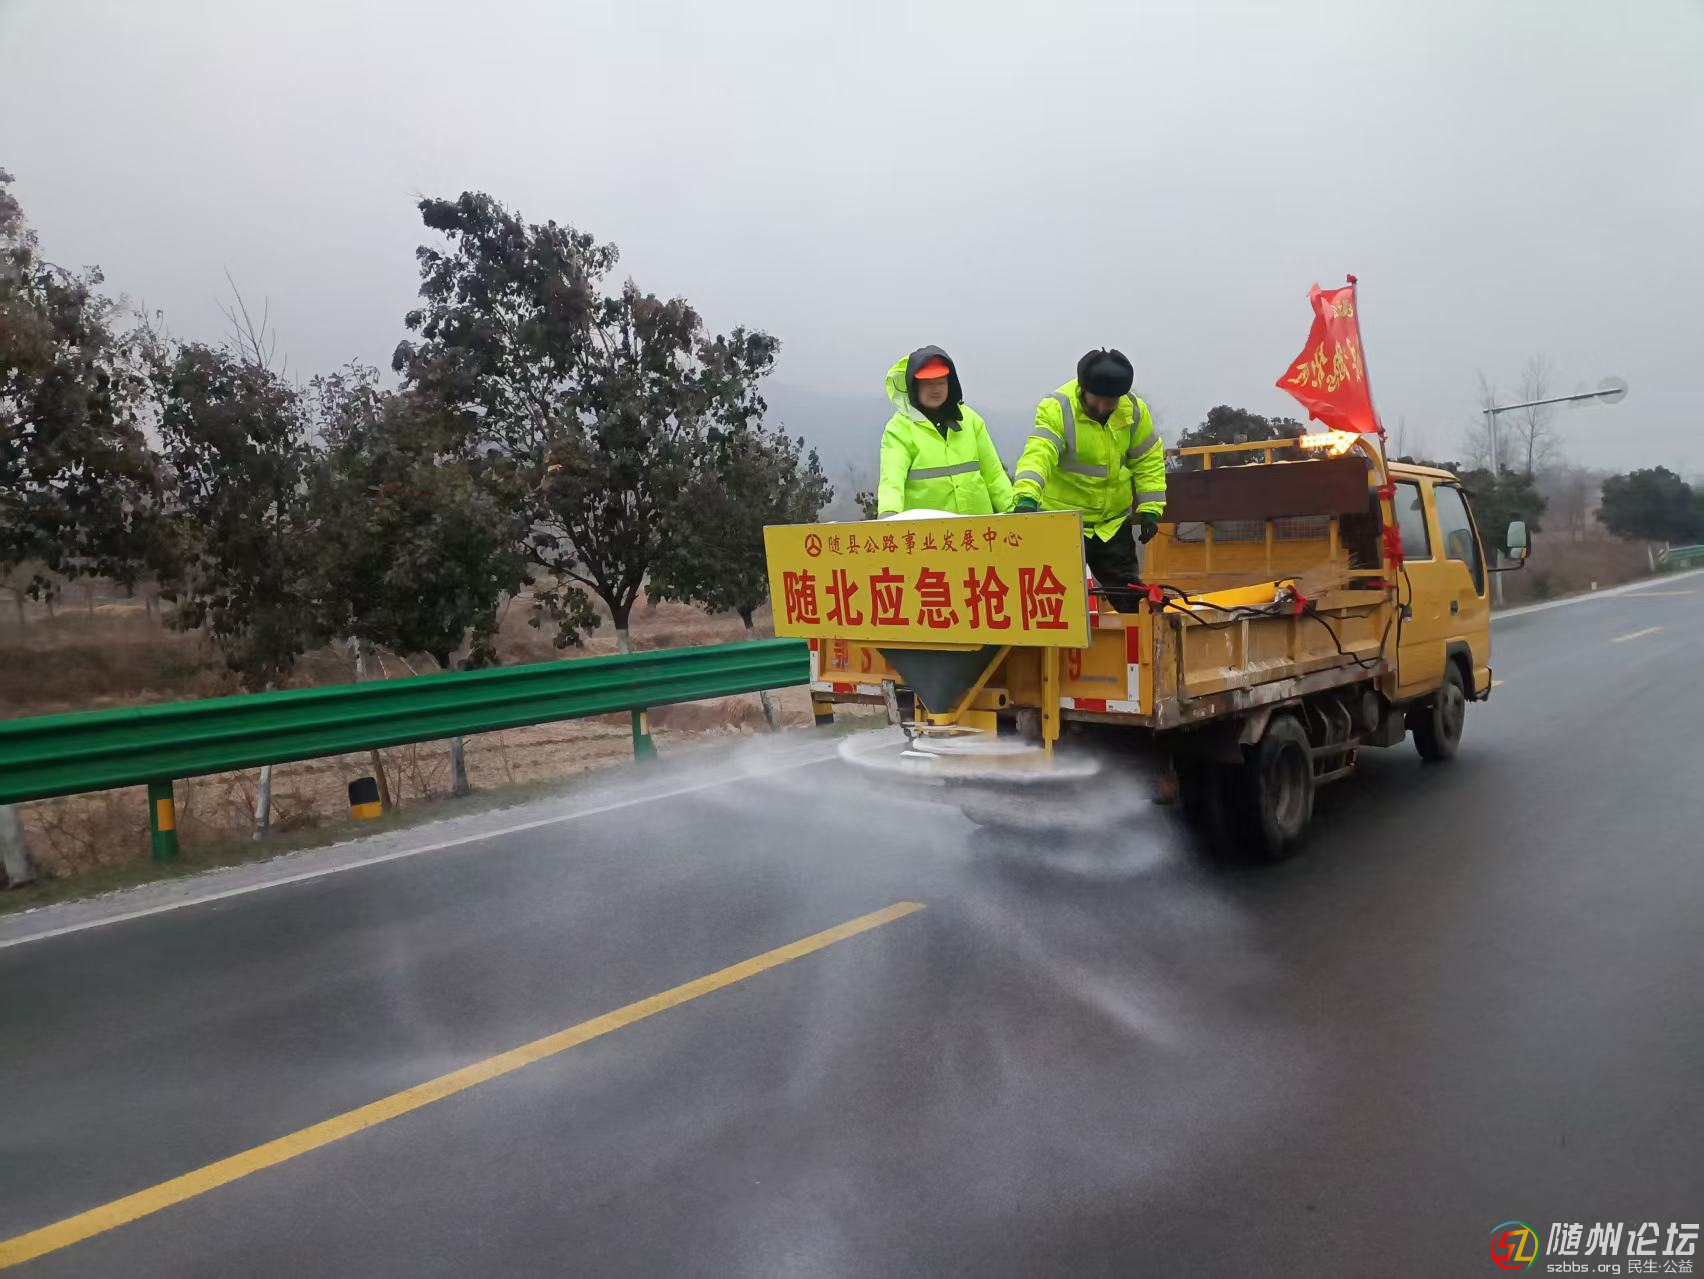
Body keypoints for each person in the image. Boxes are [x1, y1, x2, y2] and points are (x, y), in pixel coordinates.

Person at [1011, 348, 1166, 611]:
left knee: (1130, 598)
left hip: (1111, 525)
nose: (1104, 407)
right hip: (1064, 524)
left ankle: (1136, 638)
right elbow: (1038, 455)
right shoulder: (1058, 409)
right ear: (1083, 390)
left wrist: (1151, 509)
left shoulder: (1133, 411)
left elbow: (1147, 459)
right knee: (1056, 601)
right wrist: (1026, 498)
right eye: (1099, 400)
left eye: (1111, 401)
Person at [876, 346, 1013, 517]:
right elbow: (891, 479)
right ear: (914, 386)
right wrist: (888, 516)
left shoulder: (970, 421)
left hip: (976, 528)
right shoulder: (899, 428)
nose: (936, 389)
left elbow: (994, 474)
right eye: (928, 383)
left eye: (941, 382)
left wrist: (1014, 511)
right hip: (927, 531)